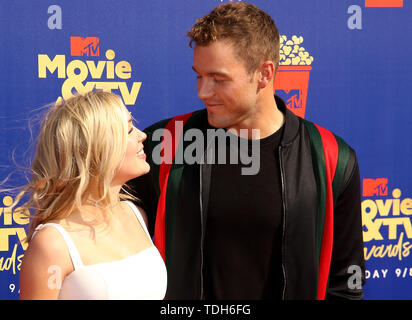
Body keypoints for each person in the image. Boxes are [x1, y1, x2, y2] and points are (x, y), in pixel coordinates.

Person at [128, 2, 365, 300]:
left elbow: (346, 283)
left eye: (218, 78)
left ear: (264, 74)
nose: (202, 91)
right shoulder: (163, 144)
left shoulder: (331, 158)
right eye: (198, 75)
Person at [17, 91, 167, 299]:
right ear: (98, 148)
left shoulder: (137, 215)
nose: (142, 135)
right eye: (130, 129)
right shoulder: (53, 243)